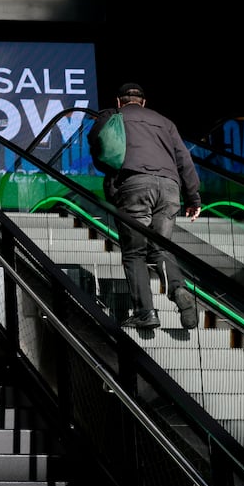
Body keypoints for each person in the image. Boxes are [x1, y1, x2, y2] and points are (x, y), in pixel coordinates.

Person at [89, 83, 201, 330]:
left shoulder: (112, 115)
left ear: (119, 101)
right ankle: (177, 287)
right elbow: (184, 158)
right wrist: (193, 198)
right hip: (170, 188)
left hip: (135, 184)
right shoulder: (164, 121)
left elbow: (96, 140)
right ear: (144, 101)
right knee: (161, 246)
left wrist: (109, 170)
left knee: (134, 251)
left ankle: (146, 313)